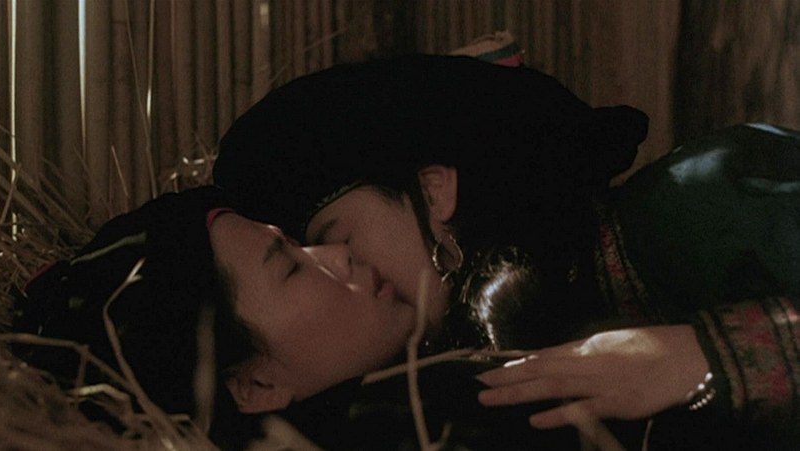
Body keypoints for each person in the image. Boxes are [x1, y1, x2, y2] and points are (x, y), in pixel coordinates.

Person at [213, 54, 800, 448]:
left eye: (336, 238)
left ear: (432, 191)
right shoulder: (471, 385)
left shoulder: (700, 201)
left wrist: (700, 358)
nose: (337, 265)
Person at [11, 186, 579, 450]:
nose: (337, 254)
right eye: (291, 269)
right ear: (254, 386)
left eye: (294, 244)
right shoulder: (434, 423)